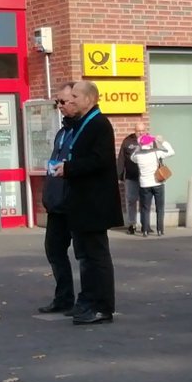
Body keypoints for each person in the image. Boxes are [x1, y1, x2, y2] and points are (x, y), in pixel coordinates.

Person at [49, 80, 123, 325]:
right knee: (86, 257)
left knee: (96, 256)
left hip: (94, 204)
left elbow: (100, 160)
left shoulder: (98, 124)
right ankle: (88, 300)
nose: (70, 101)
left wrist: (69, 168)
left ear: (89, 99)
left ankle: (102, 306)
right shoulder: (81, 124)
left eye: (75, 97)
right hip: (80, 202)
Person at [38, 82, 84, 314]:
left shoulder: (83, 130)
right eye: (57, 102)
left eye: (63, 102)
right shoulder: (62, 132)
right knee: (54, 251)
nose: (60, 106)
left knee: (85, 254)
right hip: (57, 204)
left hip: (75, 203)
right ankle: (63, 297)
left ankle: (86, 300)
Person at [133, 132, 174, 236]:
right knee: (160, 208)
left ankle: (145, 230)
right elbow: (171, 152)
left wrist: (138, 147)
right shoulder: (156, 152)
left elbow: (132, 158)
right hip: (157, 183)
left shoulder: (138, 155)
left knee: (145, 208)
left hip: (144, 184)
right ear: (150, 143)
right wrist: (162, 142)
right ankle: (160, 230)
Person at [118, 123, 145, 235]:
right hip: (131, 177)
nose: (141, 133)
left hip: (145, 178)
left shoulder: (149, 140)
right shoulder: (128, 141)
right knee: (131, 201)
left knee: (145, 202)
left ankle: (145, 225)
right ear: (135, 131)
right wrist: (119, 175)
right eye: (139, 131)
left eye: (143, 131)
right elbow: (121, 159)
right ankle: (131, 225)